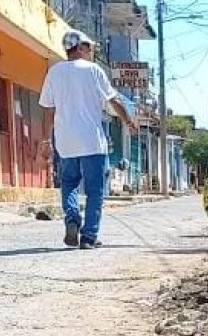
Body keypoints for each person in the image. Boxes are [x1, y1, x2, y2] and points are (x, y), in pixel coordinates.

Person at [39, 30, 137, 249]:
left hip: (65, 141)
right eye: (90, 48)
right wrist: (128, 121)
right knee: (95, 191)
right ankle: (89, 236)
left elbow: (47, 110)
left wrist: (46, 141)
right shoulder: (94, 71)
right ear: (80, 47)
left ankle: (72, 219)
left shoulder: (54, 72)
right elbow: (114, 100)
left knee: (69, 184)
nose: (91, 52)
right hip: (92, 141)